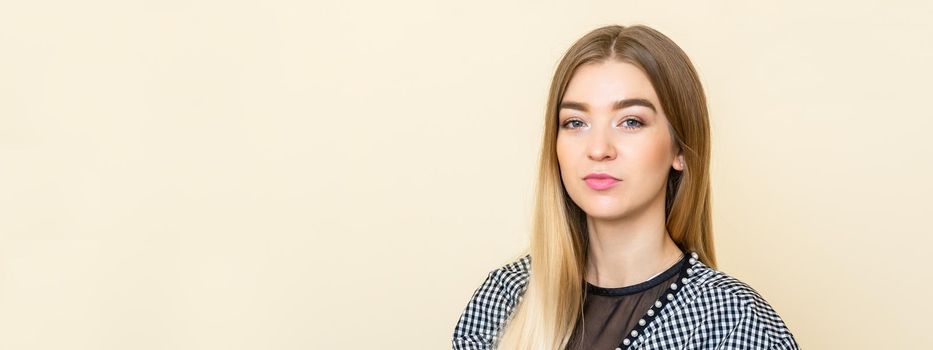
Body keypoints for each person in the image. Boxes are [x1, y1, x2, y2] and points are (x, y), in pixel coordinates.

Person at [451, 24, 800, 350]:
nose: (599, 149)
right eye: (575, 122)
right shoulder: (505, 298)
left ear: (680, 148)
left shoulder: (733, 324)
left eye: (631, 121)